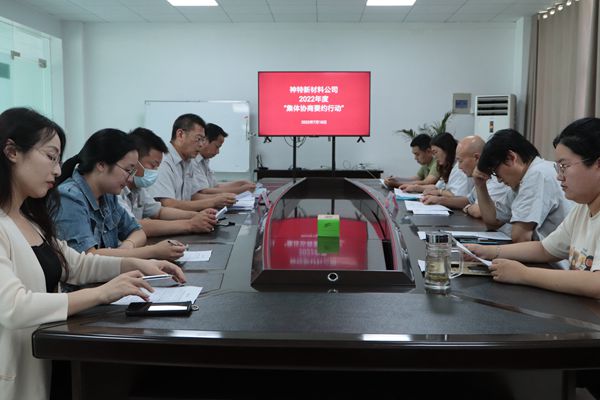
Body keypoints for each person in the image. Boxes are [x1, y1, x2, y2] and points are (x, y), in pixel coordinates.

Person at [0, 108, 185, 400]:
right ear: (12, 152)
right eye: (50, 157)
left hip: (47, 357)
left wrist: (137, 263)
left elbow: (75, 264)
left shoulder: (29, 218)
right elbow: (14, 307)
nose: (57, 170)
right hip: (15, 372)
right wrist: (102, 293)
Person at [466, 117, 600, 299]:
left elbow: (597, 283)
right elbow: (545, 249)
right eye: (558, 167)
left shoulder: (537, 174)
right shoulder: (582, 209)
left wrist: (523, 274)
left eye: (564, 166)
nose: (559, 176)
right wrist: (488, 251)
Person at [55, 129, 186, 260]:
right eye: (128, 170)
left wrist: (127, 247)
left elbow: (138, 231)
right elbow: (87, 257)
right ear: (101, 165)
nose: (130, 178)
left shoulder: (108, 196)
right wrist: (153, 251)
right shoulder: (69, 198)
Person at [472, 129, 572, 242]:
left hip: (556, 254)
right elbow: (493, 221)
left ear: (511, 157)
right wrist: (480, 186)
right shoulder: (523, 179)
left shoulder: (537, 174)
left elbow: (520, 237)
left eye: (496, 172)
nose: (499, 180)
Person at [120, 127, 218, 237]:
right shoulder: (117, 191)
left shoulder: (138, 189)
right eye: (153, 165)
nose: (155, 171)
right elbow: (134, 225)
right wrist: (189, 224)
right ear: (134, 160)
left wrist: (197, 216)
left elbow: (159, 212)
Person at [146, 114, 236, 211]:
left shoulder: (188, 161)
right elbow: (167, 204)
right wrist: (213, 202)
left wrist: (218, 199)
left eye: (203, 140)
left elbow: (193, 196)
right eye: (198, 139)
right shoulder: (163, 162)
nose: (201, 145)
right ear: (180, 135)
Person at [421, 135, 511, 216]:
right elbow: (468, 200)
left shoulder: (496, 179)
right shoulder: (480, 176)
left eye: (460, 161)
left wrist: (468, 208)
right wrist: (439, 200)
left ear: (476, 158)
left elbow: (479, 211)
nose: (459, 167)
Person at [190, 123, 256, 196]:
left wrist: (241, 183)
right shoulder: (192, 161)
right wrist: (241, 190)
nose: (218, 152)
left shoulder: (204, 160)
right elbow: (204, 191)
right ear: (205, 140)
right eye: (217, 147)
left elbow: (215, 186)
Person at [400, 132, 473, 197]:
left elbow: (457, 196)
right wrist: (416, 188)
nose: (434, 157)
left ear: (446, 149)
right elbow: (437, 186)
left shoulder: (459, 168)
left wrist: (439, 193)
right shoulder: (447, 166)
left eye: (435, 152)